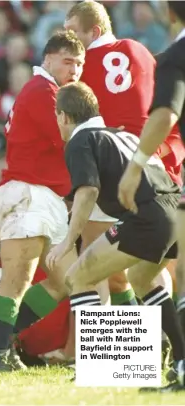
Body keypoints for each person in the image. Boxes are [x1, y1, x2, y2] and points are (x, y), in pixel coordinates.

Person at [48, 82, 185, 392]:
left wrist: (69, 241)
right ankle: (180, 361)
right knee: (139, 278)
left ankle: (102, 366)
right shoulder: (122, 134)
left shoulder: (81, 140)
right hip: (173, 210)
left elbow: (88, 191)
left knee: (78, 276)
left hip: (148, 215)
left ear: (64, 117)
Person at [64, 0, 185, 309]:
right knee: (143, 266)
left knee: (93, 267)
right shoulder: (142, 51)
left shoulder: (79, 67)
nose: (70, 40)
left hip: (111, 167)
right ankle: (156, 339)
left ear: (94, 30)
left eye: (73, 32)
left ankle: (107, 351)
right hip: (154, 163)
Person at [0, 31, 85, 372]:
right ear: (48, 60)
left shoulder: (46, 91)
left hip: (44, 196)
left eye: (80, 64)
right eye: (68, 61)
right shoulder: (44, 92)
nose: (75, 70)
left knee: (65, 279)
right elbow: (69, 145)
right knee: (17, 279)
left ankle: (2, 335)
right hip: (29, 193)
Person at [118, 1, 185, 391]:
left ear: (170, 14)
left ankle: (116, 365)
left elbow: (164, 115)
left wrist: (135, 165)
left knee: (93, 271)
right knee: (140, 274)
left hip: (153, 192)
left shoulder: (176, 56)